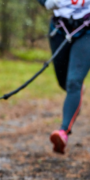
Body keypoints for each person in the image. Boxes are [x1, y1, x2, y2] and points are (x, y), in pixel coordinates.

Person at [37, 0, 90, 154]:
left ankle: (63, 132)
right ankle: (76, 92)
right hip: (59, 29)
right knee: (65, 83)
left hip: (87, 31)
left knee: (74, 82)